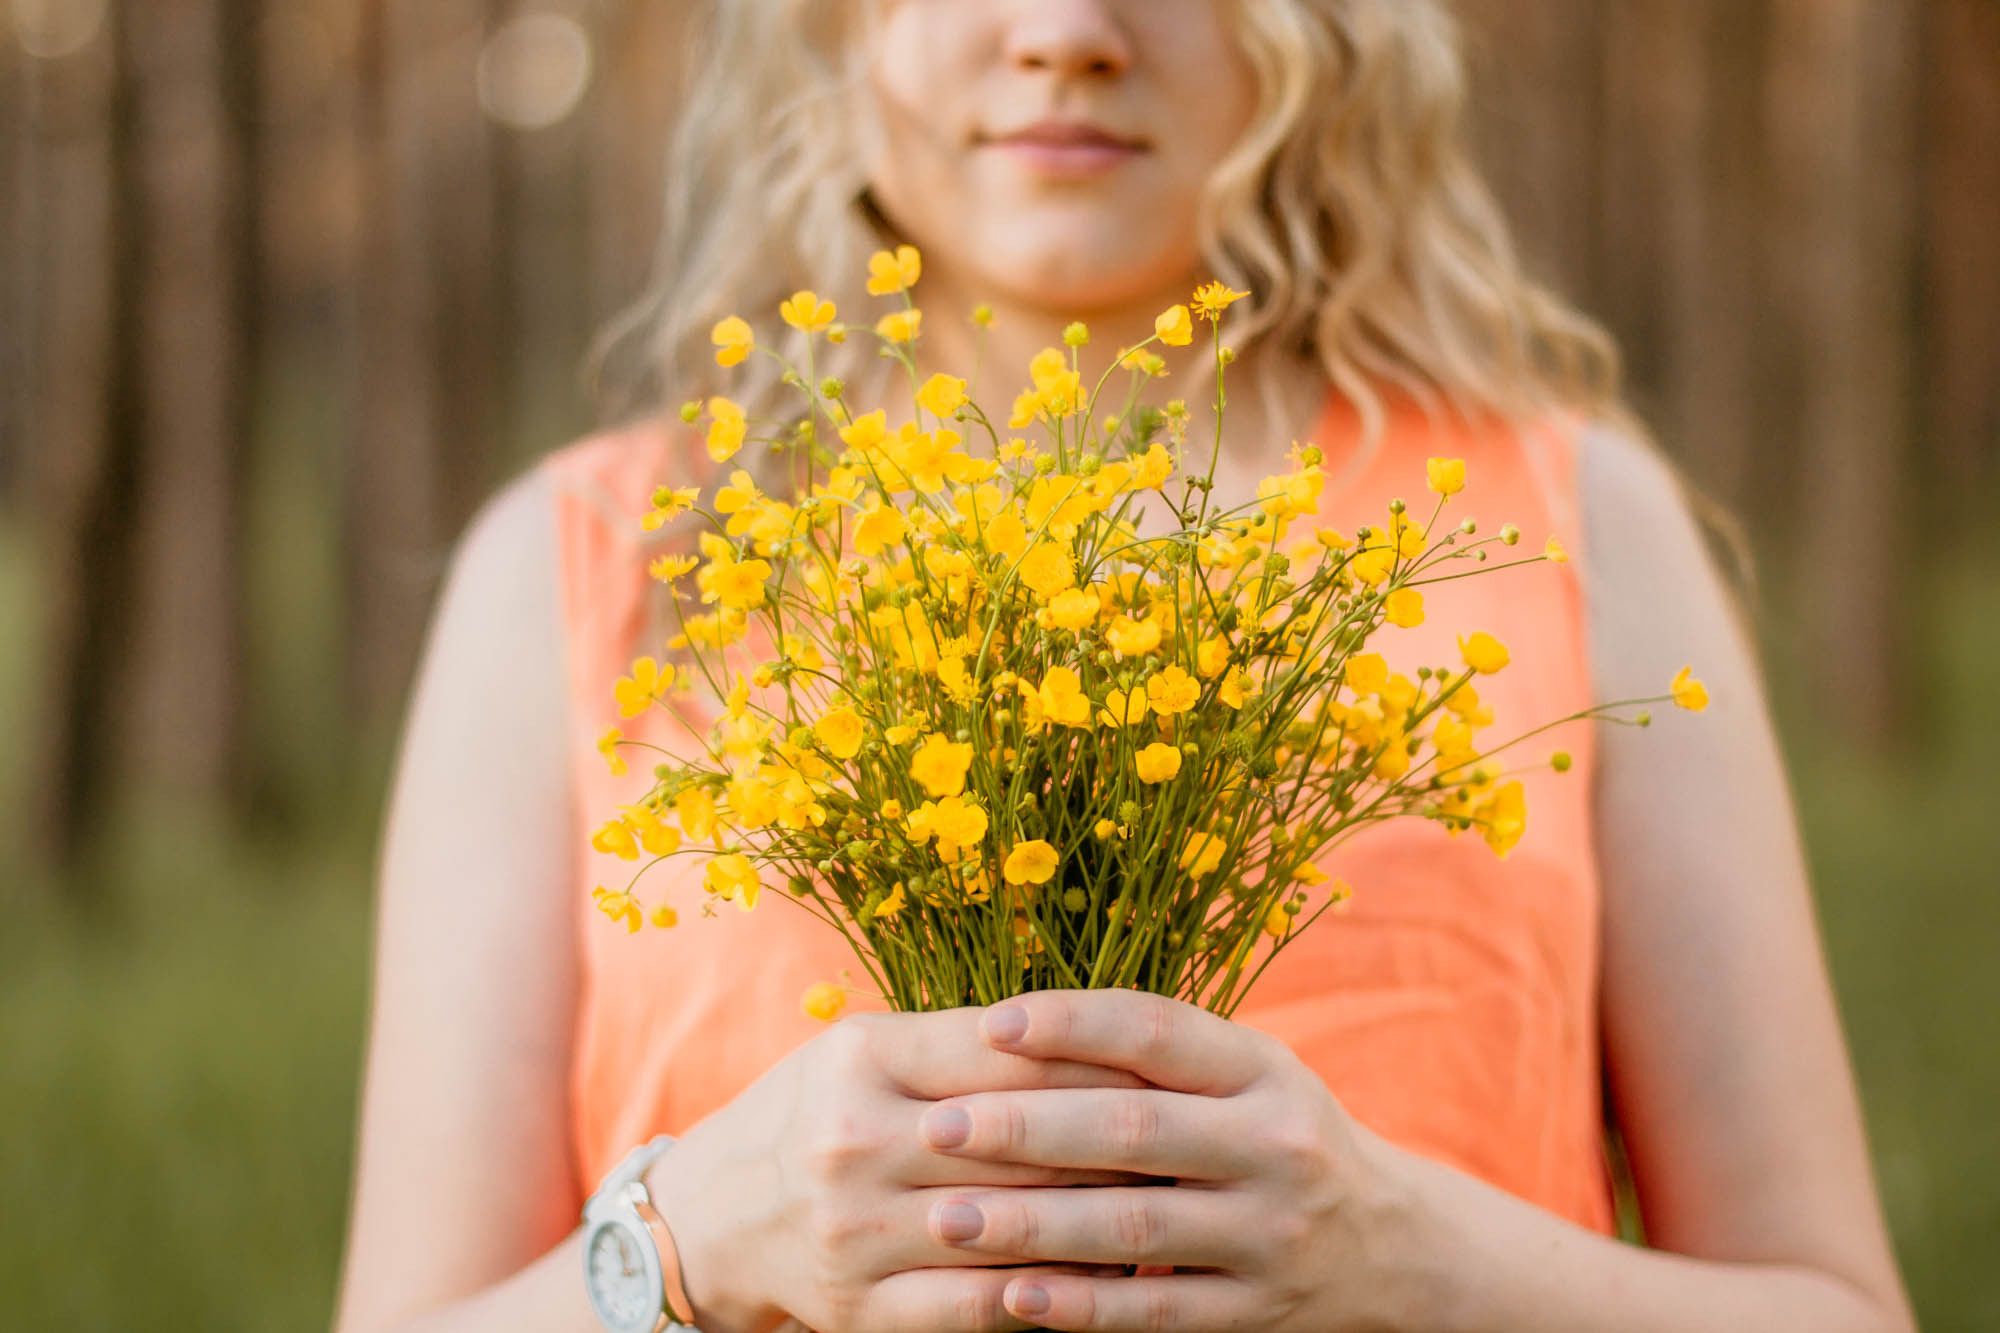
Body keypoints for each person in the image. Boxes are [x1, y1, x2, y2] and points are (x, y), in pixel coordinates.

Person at [330, 3, 1915, 1331]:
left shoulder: (1570, 525)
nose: (1070, 34)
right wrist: (692, 1237)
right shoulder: (588, 566)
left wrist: (1409, 1251)